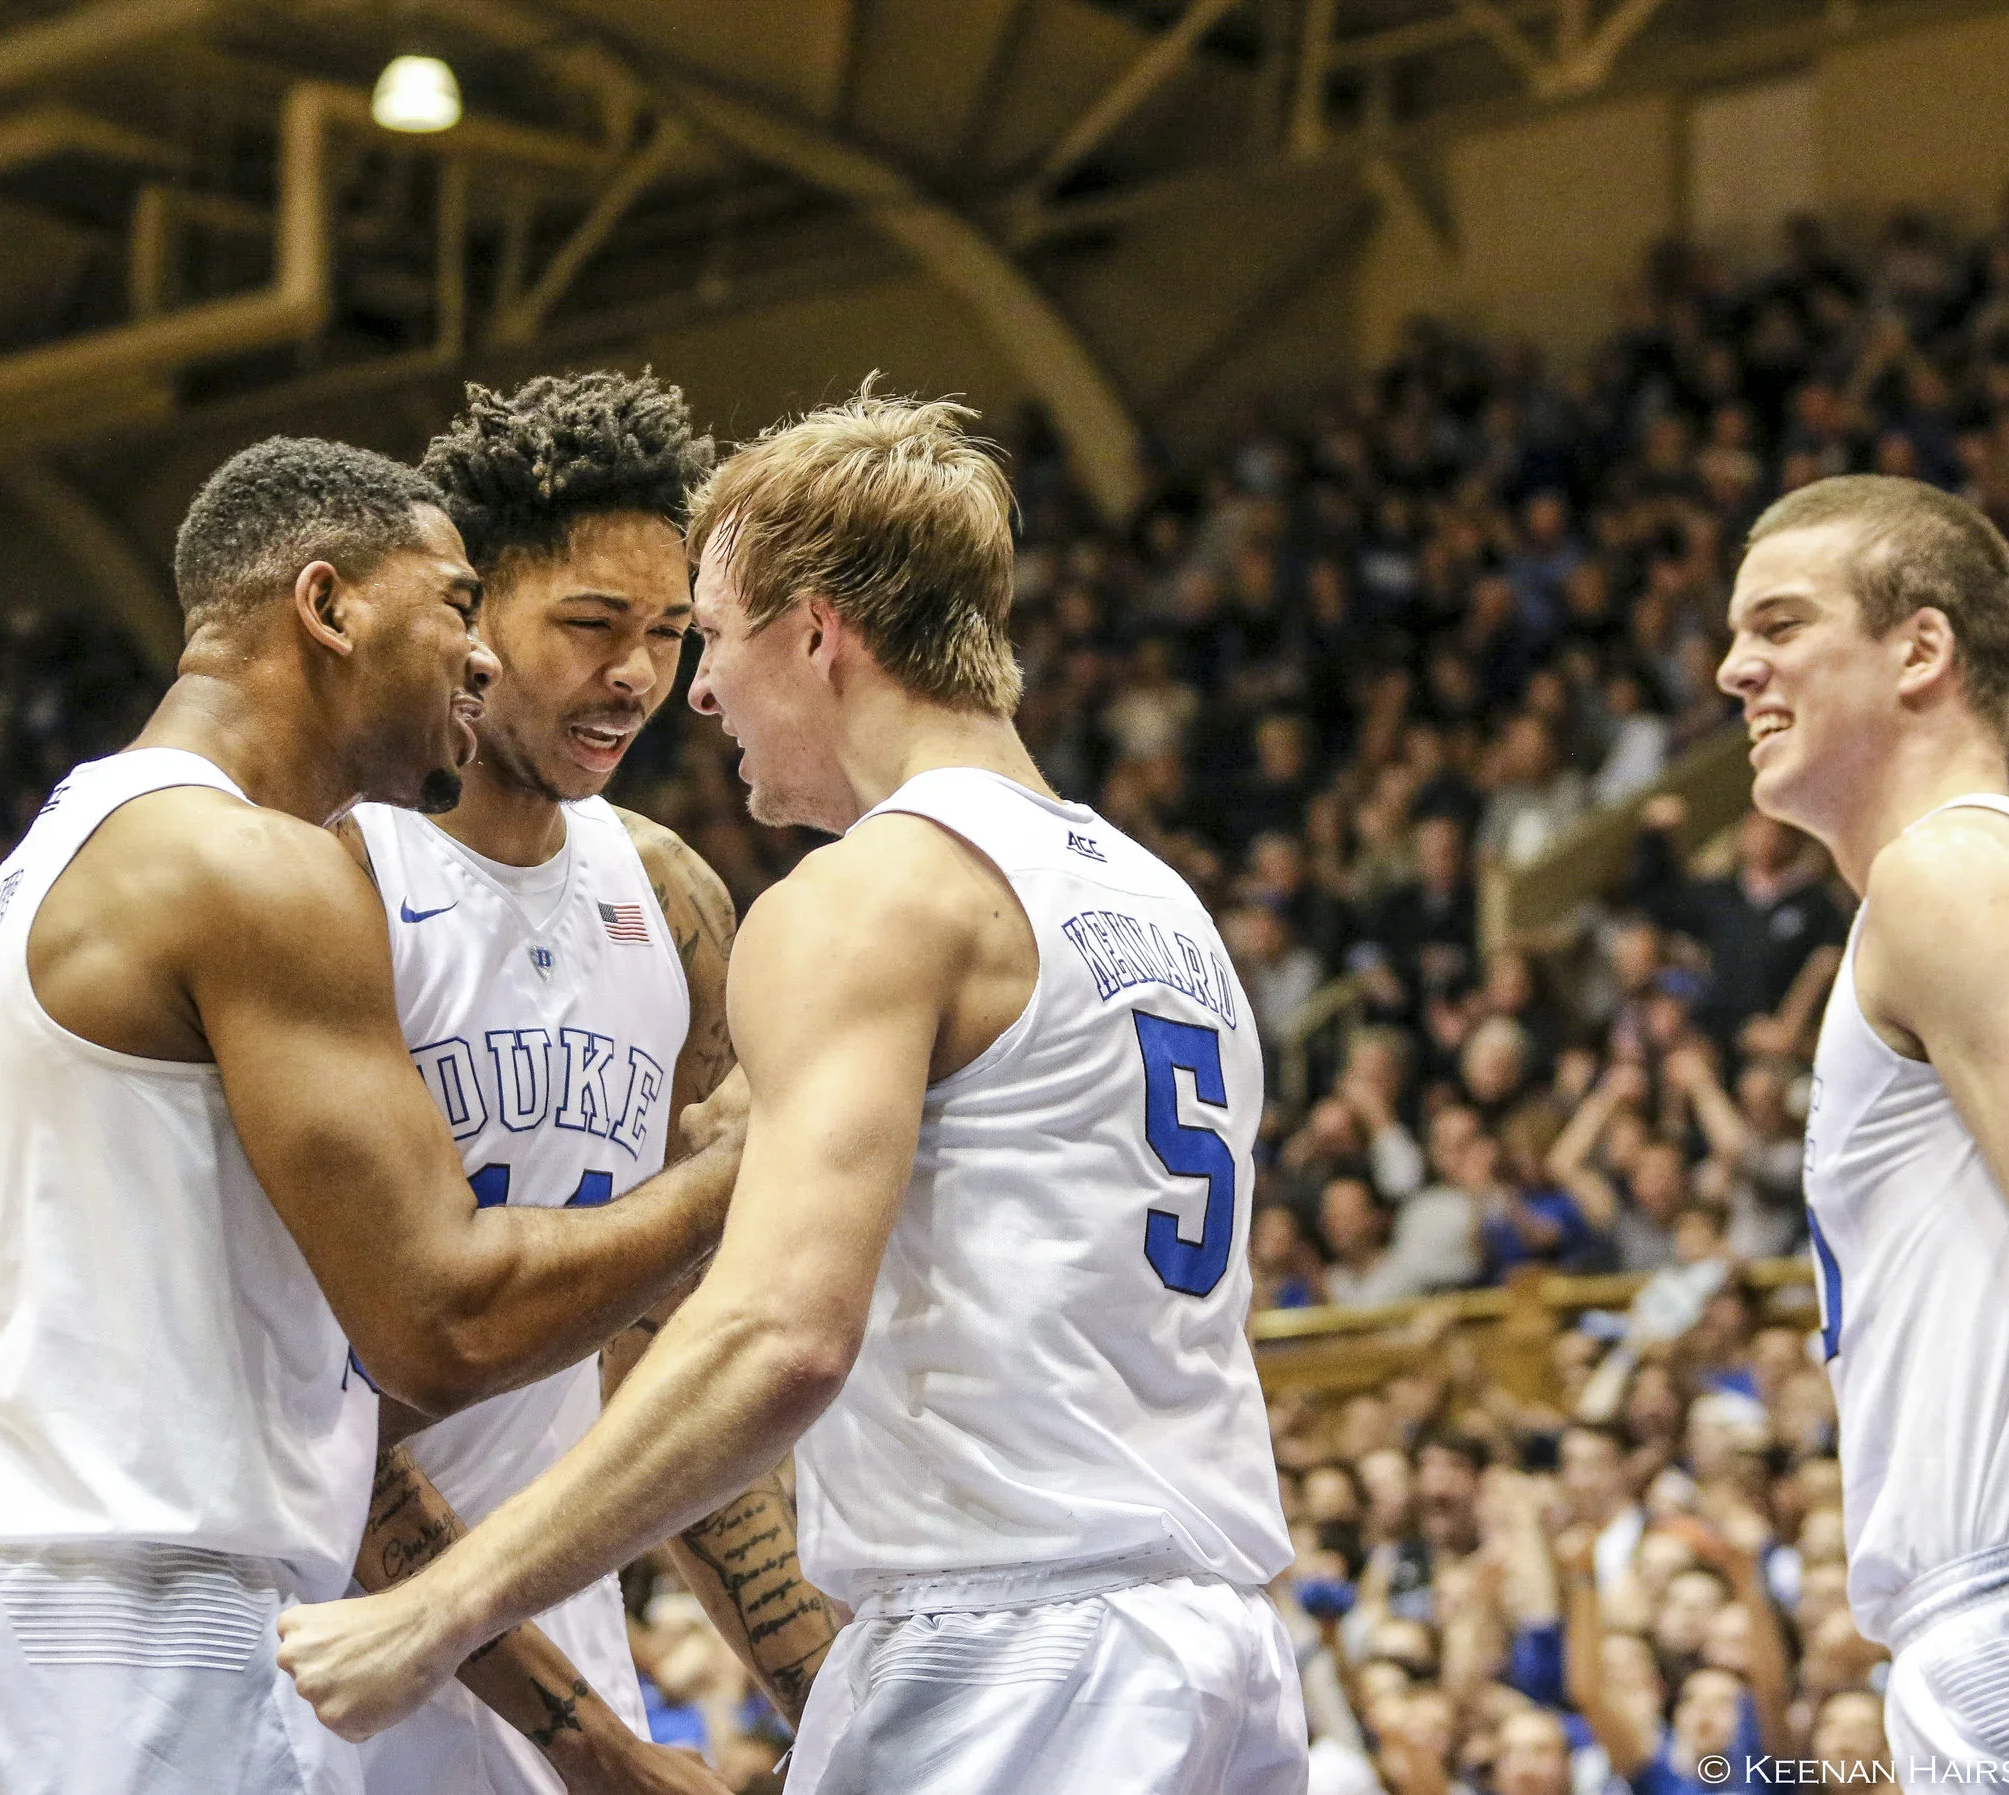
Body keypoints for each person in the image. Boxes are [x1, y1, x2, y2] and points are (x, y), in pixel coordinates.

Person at [279, 391, 1304, 1792]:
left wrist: (433, 1610)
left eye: (707, 631)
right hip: (1219, 1648)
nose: (689, 689)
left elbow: (775, 1335)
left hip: (1009, 1640)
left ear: (818, 632)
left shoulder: (866, 895)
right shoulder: (1160, 903)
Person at [0, 437, 747, 1795]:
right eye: (452, 606)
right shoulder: (253, 863)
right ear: (327, 609)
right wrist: (747, 1166)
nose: (479, 658)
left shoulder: (74, 838)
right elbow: (445, 1323)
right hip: (127, 1624)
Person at [345, 373, 835, 1794]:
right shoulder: (338, 876)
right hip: (327, 1649)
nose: (637, 674)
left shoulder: (672, 896)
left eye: (670, 633)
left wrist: (834, 1687)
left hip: (553, 1628)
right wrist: (592, 1740)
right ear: (471, 613)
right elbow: (327, 1394)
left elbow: (670, 1348)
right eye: (591, 625)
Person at [1716, 472, 2009, 1775]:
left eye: (1779, 625)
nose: (1735, 668)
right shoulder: (1980, 880)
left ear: (1921, 649)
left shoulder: (1953, 870)